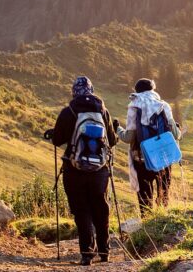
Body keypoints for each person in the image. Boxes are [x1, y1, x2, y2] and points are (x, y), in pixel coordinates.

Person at [47, 76, 116, 266]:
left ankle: (87, 253)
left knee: (81, 210)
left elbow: (57, 140)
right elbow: (112, 139)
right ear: (91, 90)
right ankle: (105, 251)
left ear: (74, 92)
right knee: (101, 208)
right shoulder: (103, 111)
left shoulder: (68, 111)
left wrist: (53, 133)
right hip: (99, 170)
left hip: (73, 168)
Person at [114, 78, 180, 216]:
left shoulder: (134, 106)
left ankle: (146, 225)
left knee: (145, 197)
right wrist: (177, 128)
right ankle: (163, 223)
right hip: (164, 158)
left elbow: (128, 138)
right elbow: (176, 135)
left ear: (137, 91)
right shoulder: (163, 105)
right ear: (152, 90)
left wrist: (117, 128)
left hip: (142, 158)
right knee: (163, 194)